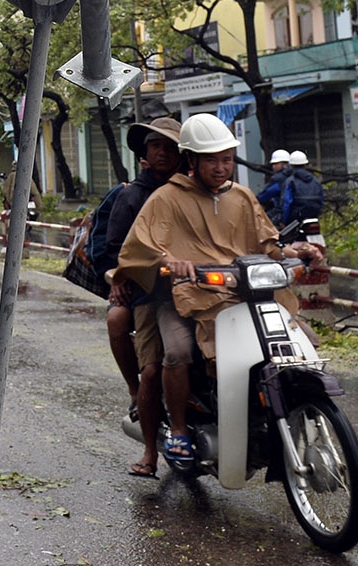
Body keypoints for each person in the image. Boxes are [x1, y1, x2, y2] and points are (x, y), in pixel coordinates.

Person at [114, 115, 322, 468]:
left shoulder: (240, 195)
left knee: (305, 339)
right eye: (212, 159)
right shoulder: (165, 197)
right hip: (182, 297)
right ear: (191, 160)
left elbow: (267, 242)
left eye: (226, 159)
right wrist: (168, 260)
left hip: (241, 295)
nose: (221, 167)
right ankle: (178, 430)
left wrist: (297, 251)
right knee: (178, 352)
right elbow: (140, 246)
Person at [97, 117, 183, 478]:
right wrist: (121, 277)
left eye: (170, 146)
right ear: (145, 152)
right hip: (148, 290)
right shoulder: (131, 195)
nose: (162, 153)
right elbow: (113, 249)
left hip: (198, 289)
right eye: (156, 146)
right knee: (150, 368)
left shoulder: (195, 191)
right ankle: (150, 449)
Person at [281, 150, 326, 224]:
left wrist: (284, 220)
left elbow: (287, 202)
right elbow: (321, 198)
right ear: (305, 164)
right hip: (314, 215)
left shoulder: (290, 181)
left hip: (296, 216)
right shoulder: (315, 180)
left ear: (291, 165)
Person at [257, 149, 291, 219]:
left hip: (281, 211)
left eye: (275, 164)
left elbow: (266, 195)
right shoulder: (294, 174)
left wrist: (256, 198)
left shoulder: (278, 178)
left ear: (284, 164)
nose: (273, 166)